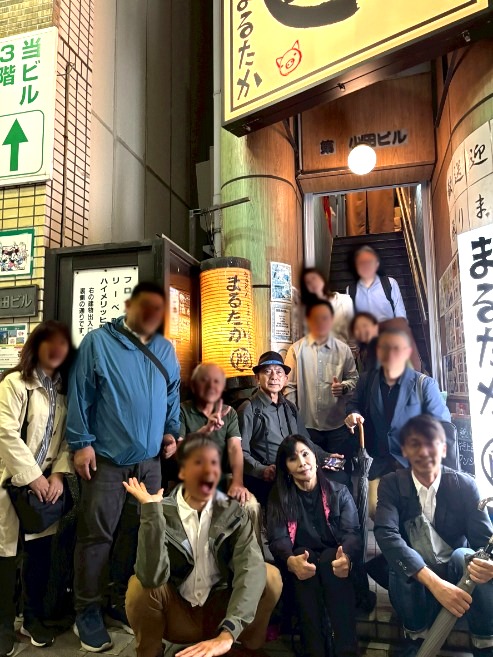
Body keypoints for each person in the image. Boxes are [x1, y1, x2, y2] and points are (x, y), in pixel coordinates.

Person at [67, 282, 181, 652]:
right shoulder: (98, 342)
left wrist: (171, 431)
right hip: (107, 461)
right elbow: (80, 394)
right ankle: (87, 612)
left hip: (149, 463)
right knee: (96, 537)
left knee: (138, 534)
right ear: (129, 305)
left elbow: (172, 394)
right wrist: (81, 443)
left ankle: (120, 599)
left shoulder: (165, 349)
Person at [124, 433, 283, 657]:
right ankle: (151, 652)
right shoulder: (161, 511)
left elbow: (250, 569)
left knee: (269, 576)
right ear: (183, 471)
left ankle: (247, 649)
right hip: (178, 615)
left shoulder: (234, 512)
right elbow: (151, 578)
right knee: (138, 587)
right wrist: (152, 514)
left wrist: (228, 632)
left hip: (221, 611)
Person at [374, 415, 493, 657]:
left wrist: (489, 565)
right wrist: (434, 583)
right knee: (402, 557)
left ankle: (485, 643)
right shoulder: (392, 484)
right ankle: (416, 638)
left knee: (468, 557)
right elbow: (386, 533)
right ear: (405, 451)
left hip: (457, 577)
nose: (424, 451)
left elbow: (484, 541)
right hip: (415, 583)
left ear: (444, 448)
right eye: (415, 444)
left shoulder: (464, 485)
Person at [0, 321, 74, 655]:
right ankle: (3, 626)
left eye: (63, 343)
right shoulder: (15, 383)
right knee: (5, 556)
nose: (57, 348)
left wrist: (57, 476)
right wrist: (34, 477)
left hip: (45, 488)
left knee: (40, 555)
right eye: (49, 342)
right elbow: (5, 433)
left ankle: (32, 619)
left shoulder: (62, 392)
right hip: (11, 482)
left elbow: (66, 441)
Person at [268, 435, 362, 657]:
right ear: (286, 468)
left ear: (316, 458)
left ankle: (346, 650)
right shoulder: (279, 497)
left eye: (305, 454)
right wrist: (290, 560)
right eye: (293, 459)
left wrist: (347, 557)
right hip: (302, 564)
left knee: (332, 558)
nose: (302, 463)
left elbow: (352, 533)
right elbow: (278, 538)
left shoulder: (339, 491)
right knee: (304, 558)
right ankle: (314, 649)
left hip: (334, 560)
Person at [345, 328, 451, 520]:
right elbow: (354, 404)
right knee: (376, 512)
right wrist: (353, 414)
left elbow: (442, 427)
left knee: (414, 516)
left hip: (414, 464)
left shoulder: (424, 384)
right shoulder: (367, 380)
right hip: (378, 462)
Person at [238, 351, 336, 507]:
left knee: (338, 479)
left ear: (285, 379)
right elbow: (239, 452)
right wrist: (261, 470)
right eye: (267, 371)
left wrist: (326, 456)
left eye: (279, 372)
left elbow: (306, 443)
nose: (274, 377)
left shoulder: (290, 408)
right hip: (271, 475)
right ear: (257, 378)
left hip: (296, 468)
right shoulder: (248, 409)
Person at [179, 362, 261, 542]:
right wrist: (206, 430)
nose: (211, 386)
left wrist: (238, 482)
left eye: (216, 381)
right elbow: (180, 452)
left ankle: (254, 557)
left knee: (251, 506)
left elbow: (235, 448)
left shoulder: (229, 413)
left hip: (224, 477)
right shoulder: (183, 410)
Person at [285, 299, 359, 484]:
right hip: (307, 426)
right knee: (311, 474)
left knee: (339, 475)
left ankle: (340, 502)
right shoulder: (296, 350)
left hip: (338, 426)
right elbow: (289, 387)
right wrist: (295, 420)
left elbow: (355, 379)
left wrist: (344, 387)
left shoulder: (343, 350)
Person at [346, 245, 407, 322]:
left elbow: (400, 314)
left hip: (388, 329)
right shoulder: (350, 290)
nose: (366, 266)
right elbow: (350, 320)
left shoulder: (390, 283)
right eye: (361, 262)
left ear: (377, 264)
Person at [300, 267, 354, 346]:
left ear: (322, 278)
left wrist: (350, 352)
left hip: (342, 350)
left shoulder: (344, 300)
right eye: (308, 282)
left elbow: (352, 333)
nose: (313, 283)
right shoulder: (306, 309)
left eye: (314, 278)